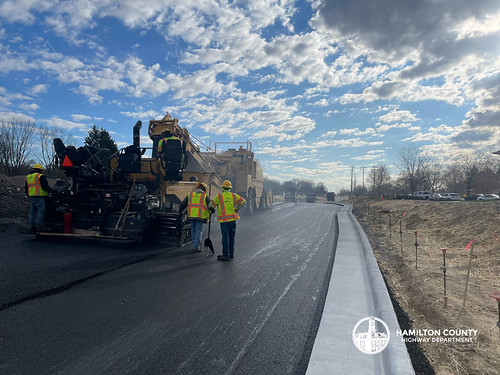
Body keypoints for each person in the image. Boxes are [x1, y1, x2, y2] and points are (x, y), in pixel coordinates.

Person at [210, 180, 245, 261]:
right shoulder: (234, 196)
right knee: (232, 237)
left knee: (225, 238)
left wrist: (211, 209)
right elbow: (243, 202)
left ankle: (225, 255)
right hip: (233, 220)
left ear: (222, 187)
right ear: (230, 188)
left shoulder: (219, 196)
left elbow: (211, 205)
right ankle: (231, 253)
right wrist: (237, 209)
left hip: (224, 221)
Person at [179, 182, 211, 253]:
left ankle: (195, 245)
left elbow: (183, 204)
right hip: (200, 217)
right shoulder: (205, 196)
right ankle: (196, 247)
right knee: (198, 231)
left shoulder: (190, 195)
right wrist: (212, 211)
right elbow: (211, 206)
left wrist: (180, 211)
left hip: (191, 216)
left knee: (193, 231)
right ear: (204, 189)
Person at [25, 163, 53, 231]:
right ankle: (39, 225)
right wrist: (52, 191)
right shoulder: (40, 176)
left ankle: (31, 225)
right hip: (39, 196)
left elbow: (26, 187)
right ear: (40, 170)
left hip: (31, 196)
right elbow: (45, 186)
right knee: (41, 210)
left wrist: (28, 195)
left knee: (32, 210)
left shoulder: (28, 177)